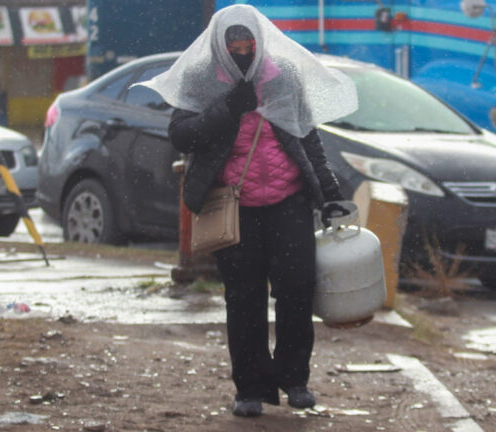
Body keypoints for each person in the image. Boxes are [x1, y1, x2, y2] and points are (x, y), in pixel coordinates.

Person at [140, 4, 358, 417]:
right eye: (233, 44)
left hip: (288, 202)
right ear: (220, 45)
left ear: (260, 42)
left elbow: (307, 136)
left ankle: (295, 379)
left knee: (296, 291)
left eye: (248, 43)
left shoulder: (284, 77)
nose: (242, 50)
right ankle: (250, 388)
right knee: (244, 300)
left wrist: (329, 194)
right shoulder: (202, 78)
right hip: (233, 207)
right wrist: (228, 109)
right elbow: (181, 136)